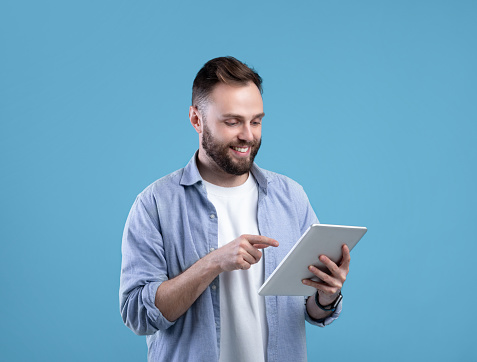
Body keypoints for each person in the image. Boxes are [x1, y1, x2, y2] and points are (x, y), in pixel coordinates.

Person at [119, 56, 351, 362]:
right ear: (196, 119)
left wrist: (326, 295)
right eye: (232, 121)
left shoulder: (291, 197)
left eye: (256, 120)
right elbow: (138, 315)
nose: (248, 135)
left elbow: (309, 309)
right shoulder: (154, 205)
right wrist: (212, 264)